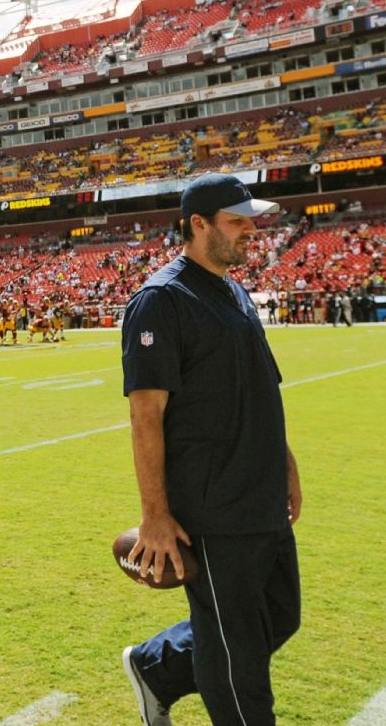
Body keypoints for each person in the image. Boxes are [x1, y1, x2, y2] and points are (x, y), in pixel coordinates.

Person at [120, 173, 302, 726]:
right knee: (238, 664)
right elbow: (145, 415)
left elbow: (260, 387)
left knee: (278, 616)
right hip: (214, 506)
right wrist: (155, 514)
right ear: (198, 225)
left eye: (252, 220)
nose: (252, 230)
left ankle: (158, 667)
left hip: (261, 491)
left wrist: (286, 465)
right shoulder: (161, 301)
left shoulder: (233, 289)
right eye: (238, 221)